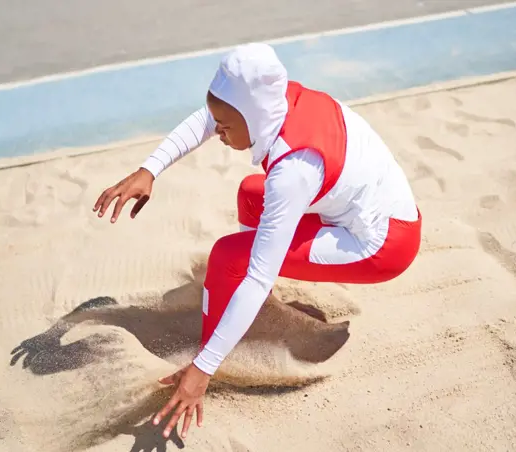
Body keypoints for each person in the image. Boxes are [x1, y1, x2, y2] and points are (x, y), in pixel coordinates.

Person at [93, 42, 422, 440]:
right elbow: (207, 119)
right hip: (359, 209)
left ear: (253, 115)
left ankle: (212, 356)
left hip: (382, 244)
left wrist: (201, 370)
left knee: (230, 258)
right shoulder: (277, 100)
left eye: (226, 126)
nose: (218, 133)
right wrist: (150, 170)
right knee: (252, 194)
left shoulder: (294, 171)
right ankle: (241, 319)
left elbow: (257, 275)